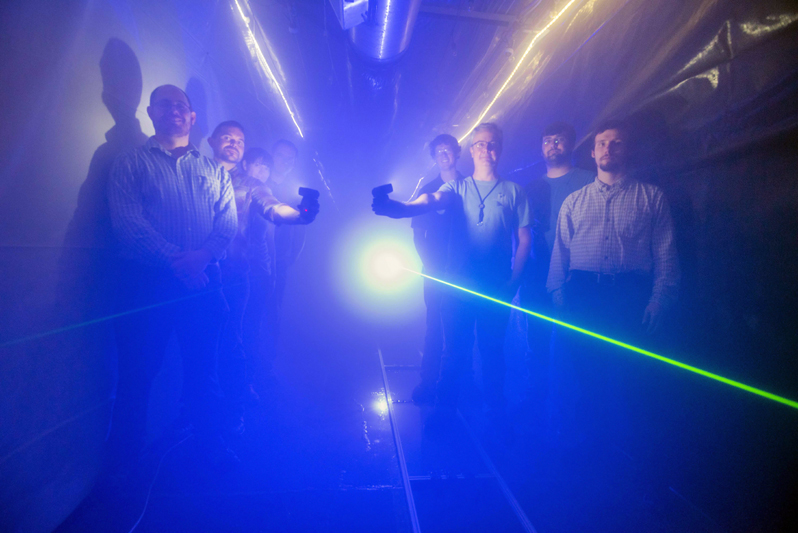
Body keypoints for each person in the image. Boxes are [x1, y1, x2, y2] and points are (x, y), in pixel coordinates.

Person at [106, 84, 238, 469]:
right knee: (137, 376)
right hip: (147, 287)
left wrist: (203, 257)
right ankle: (124, 462)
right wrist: (184, 263)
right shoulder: (129, 161)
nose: (174, 110)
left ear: (193, 118)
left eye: (182, 105)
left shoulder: (213, 169)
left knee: (204, 370)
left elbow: (226, 225)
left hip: (201, 284)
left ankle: (209, 449)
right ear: (150, 112)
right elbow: (129, 225)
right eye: (165, 104)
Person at [373, 123, 532, 430]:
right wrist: (399, 208)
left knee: (492, 351)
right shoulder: (455, 188)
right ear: (472, 150)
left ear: (500, 148)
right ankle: (445, 413)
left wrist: (514, 281)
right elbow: (430, 201)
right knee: (454, 350)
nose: (486, 149)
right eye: (481, 144)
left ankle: (495, 414)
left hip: (494, 286)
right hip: (458, 286)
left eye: (492, 144)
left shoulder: (514, 191)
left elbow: (524, 239)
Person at [546, 119, 680, 445]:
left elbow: (665, 255)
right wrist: (559, 293)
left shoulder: (652, 197)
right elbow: (559, 254)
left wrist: (659, 299)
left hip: (630, 296)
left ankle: (635, 455)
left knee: (635, 380)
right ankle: (593, 451)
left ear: (627, 149)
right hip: (584, 294)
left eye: (617, 142)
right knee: (587, 377)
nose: (609, 148)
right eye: (603, 143)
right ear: (592, 152)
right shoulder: (574, 202)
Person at [519, 122, 593, 415]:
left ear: (571, 145)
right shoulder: (531, 188)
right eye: (547, 141)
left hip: (578, 274)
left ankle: (583, 405)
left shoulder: (590, 181)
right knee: (536, 339)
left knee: (580, 341)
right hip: (538, 272)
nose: (552, 146)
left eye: (559, 140)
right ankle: (537, 399)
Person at [410, 134, 464, 405]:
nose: (444, 155)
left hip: (465, 271)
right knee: (434, 326)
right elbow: (418, 234)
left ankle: (457, 382)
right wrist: (430, 265)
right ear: (434, 157)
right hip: (435, 271)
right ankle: (428, 381)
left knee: (462, 328)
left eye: (448, 150)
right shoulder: (427, 188)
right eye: (439, 151)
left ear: (458, 152)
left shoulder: (471, 186)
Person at [259, 139, 303, 383]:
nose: (285, 162)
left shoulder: (293, 190)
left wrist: (290, 257)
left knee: (272, 311)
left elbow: (301, 230)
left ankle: (265, 365)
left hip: (279, 263)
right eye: (281, 156)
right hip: (252, 261)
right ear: (272, 155)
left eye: (290, 158)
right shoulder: (258, 184)